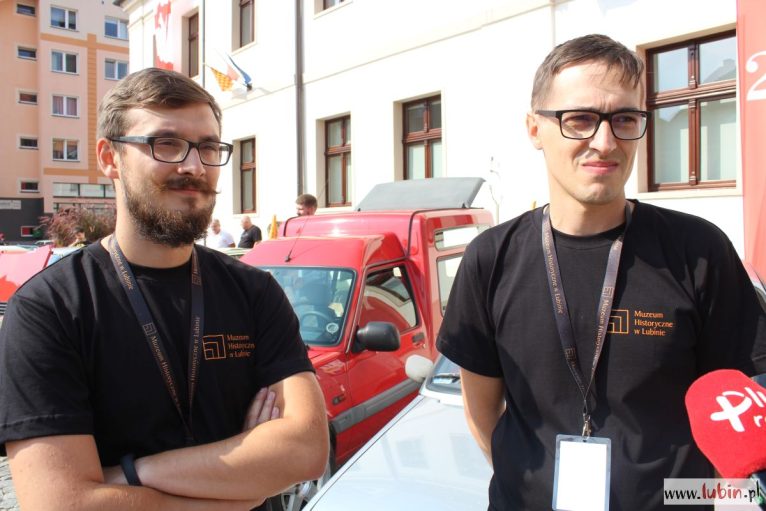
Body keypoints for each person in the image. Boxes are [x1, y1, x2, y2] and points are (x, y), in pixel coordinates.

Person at [436, 34, 766, 511]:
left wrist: (693, 500)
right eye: (580, 119)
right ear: (534, 129)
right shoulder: (490, 259)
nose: (605, 142)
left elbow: (737, 412)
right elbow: (480, 412)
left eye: (624, 119)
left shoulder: (698, 251)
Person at [0, 67, 328, 510]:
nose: (194, 166)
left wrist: (132, 474)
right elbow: (61, 504)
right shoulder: (49, 309)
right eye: (166, 143)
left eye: (208, 147)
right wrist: (241, 486)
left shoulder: (255, 291)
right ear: (110, 157)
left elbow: (306, 450)